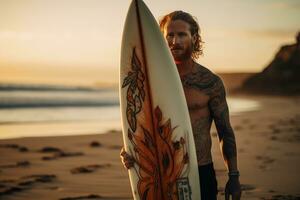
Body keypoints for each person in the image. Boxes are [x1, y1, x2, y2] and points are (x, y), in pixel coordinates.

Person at [120, 10, 242, 200]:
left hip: (200, 171)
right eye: (170, 35)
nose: (175, 41)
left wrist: (233, 176)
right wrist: (130, 151)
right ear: (162, 39)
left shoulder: (210, 83)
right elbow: (138, 125)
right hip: (159, 173)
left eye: (182, 35)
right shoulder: (149, 83)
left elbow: (225, 132)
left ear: (194, 38)